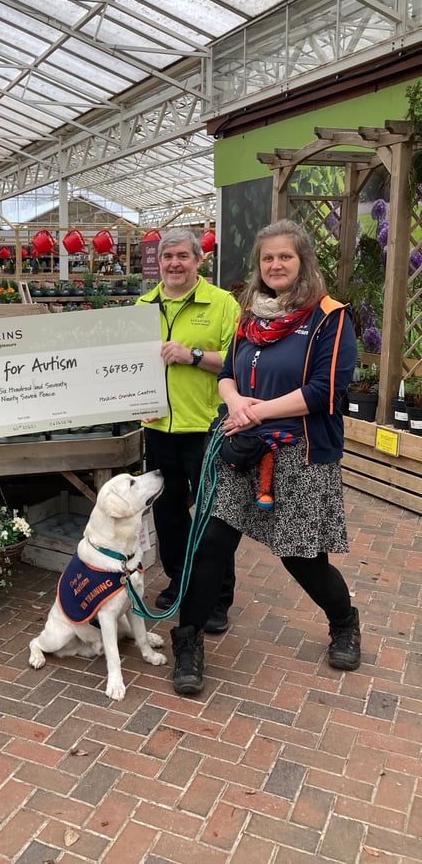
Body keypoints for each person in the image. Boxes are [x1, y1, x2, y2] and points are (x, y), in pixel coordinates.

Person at [170, 218, 360, 696]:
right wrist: (234, 402)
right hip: (241, 448)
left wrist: (257, 412)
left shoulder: (329, 317)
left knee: (302, 558)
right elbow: (229, 371)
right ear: (259, 265)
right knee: (210, 544)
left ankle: (344, 620)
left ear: (302, 261)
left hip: (299, 455)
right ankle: (188, 641)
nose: (276, 265)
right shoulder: (250, 317)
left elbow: (325, 390)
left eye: (285, 257)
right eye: (268, 258)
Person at [136, 228, 239, 630]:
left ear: (199, 260)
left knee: (214, 515)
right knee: (168, 512)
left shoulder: (222, 304)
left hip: (207, 428)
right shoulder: (143, 305)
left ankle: (217, 597)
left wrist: (192, 355)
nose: (174, 264)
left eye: (182, 256)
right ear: (158, 263)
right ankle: (180, 580)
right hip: (159, 427)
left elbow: (238, 359)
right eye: (167, 257)